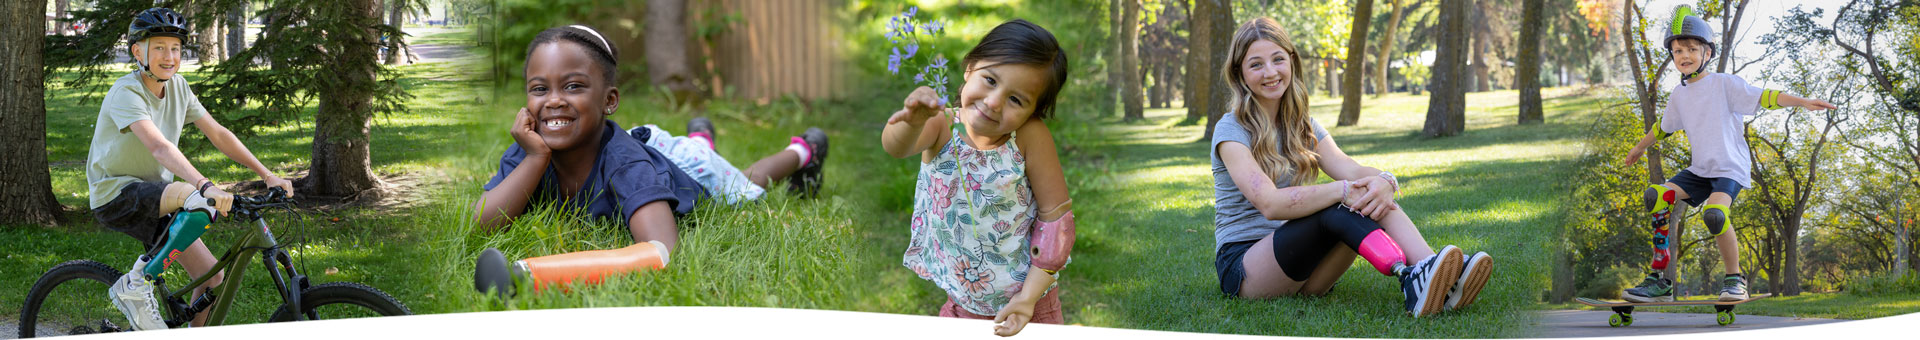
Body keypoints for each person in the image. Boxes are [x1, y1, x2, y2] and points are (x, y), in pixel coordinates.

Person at [471, 25, 829, 294]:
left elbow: (662, 251)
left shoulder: (627, 166)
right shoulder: (531, 146)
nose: (553, 101)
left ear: (609, 100)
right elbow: (480, 224)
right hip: (653, 149)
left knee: (742, 184)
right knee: (700, 155)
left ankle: (803, 151)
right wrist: (535, 159)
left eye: (573, 86)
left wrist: (532, 274)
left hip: (689, 172)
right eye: (539, 88)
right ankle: (700, 139)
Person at [1209, 17, 1494, 317]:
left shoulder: (1301, 124)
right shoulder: (1231, 130)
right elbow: (1269, 204)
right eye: (1256, 64)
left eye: (1278, 59)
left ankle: (1431, 269)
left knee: (1367, 194)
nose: (1270, 72)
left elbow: (1349, 168)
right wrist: (1341, 191)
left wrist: (1384, 181)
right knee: (1340, 204)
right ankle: (1416, 277)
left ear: (1291, 61)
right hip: (1246, 270)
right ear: (1239, 73)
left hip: (1304, 272)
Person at [93, 7, 296, 330]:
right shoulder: (126, 92)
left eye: (175, 48)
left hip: (159, 196)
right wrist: (204, 185)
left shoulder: (179, 87)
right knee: (196, 198)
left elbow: (218, 134)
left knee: (212, 278)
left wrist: (266, 173)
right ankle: (135, 285)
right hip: (116, 194)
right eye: (158, 47)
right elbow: (159, 146)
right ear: (137, 51)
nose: (169, 56)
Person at [1619, 5, 1835, 303]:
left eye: (1692, 49)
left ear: (1707, 52)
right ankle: (1660, 281)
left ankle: (1735, 280)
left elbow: (1765, 97)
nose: (1684, 55)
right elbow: (1664, 128)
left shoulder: (1724, 83)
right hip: (1700, 170)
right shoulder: (1679, 95)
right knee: (1656, 197)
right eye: (1678, 50)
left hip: (1729, 169)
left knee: (1715, 215)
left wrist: (1802, 101)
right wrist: (1638, 148)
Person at [881, 19, 1076, 336]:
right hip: (961, 308)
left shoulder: (1029, 137)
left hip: (1031, 307)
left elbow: (1056, 222)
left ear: (1033, 111)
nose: (994, 101)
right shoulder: (940, 125)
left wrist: (1028, 299)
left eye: (1016, 99)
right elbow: (896, 147)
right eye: (990, 80)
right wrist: (911, 122)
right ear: (969, 68)